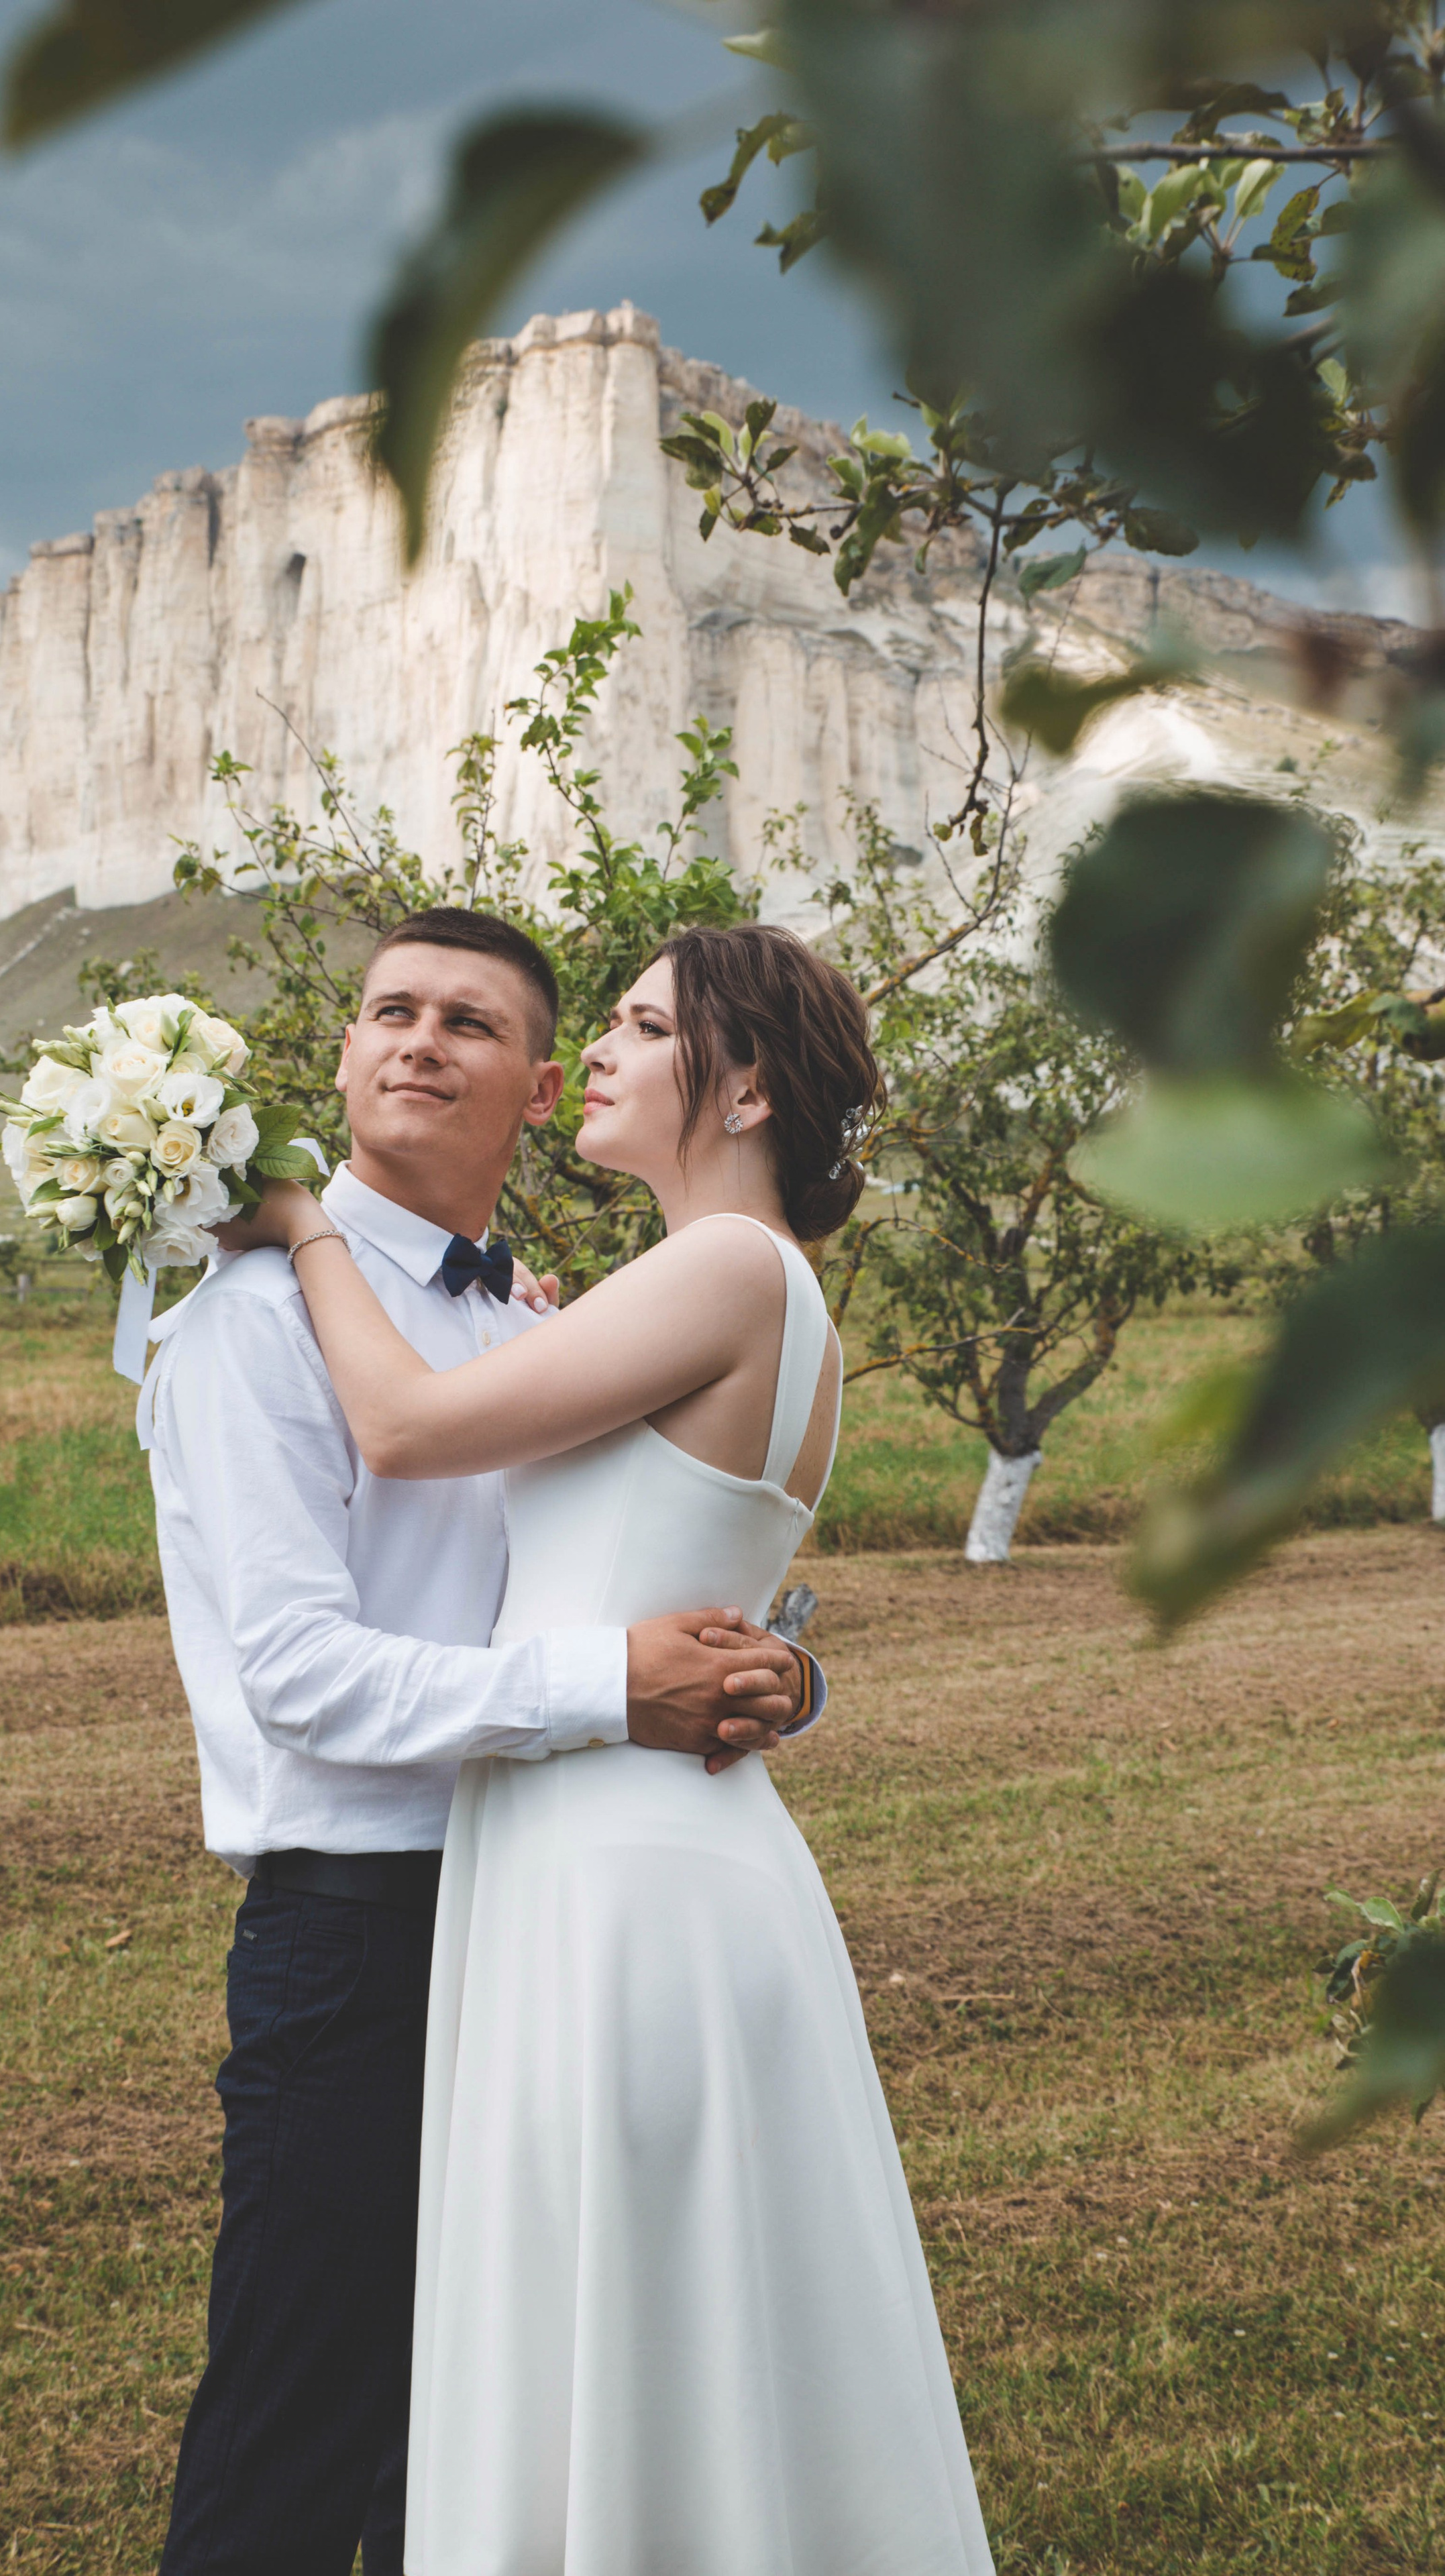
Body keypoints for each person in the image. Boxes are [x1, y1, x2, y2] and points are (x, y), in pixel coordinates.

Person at [255, 920, 995, 2576]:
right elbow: (699, 1570)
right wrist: (789, 1678)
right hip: (633, 1841)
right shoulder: (728, 1289)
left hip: (615, 1875)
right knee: (664, 2319)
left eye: (641, 1027)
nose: (593, 1053)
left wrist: (305, 1230)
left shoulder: (729, 1269)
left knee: (618, 2310)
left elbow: (405, 1429)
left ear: (735, 1082)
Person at [143, 908, 822, 2576]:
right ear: (343, 1057)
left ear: (534, 1092)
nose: (416, 1041)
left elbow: (660, 1561)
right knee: (301, 2442)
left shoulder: (531, 1322)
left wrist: (782, 1680)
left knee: (484, 2429)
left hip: (545, 1918)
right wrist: (618, 1690)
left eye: (467, 1020)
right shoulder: (249, 1325)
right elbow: (301, 1678)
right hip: (362, 1932)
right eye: (388, 1011)